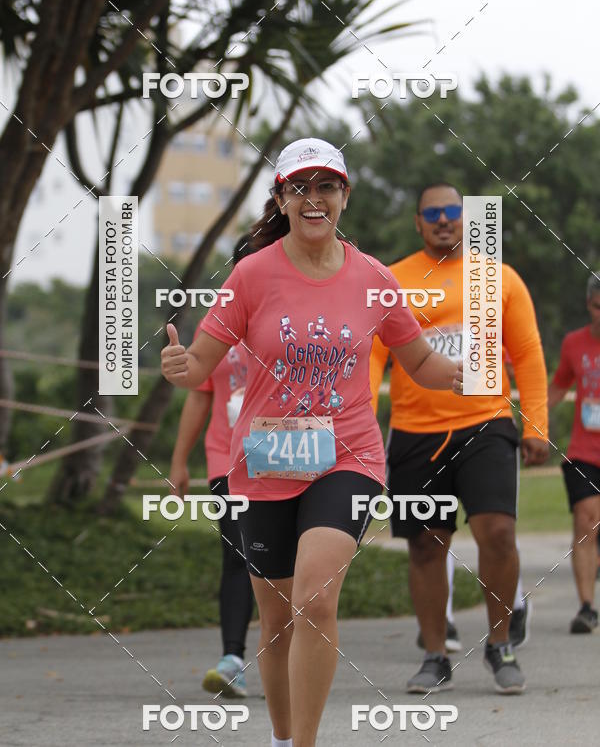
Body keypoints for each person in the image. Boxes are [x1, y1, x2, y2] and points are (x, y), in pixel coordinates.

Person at [161, 140, 462, 747]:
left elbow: (420, 361)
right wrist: (179, 365)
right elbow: (200, 369)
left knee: (315, 600)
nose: (314, 198)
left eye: (327, 186)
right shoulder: (250, 275)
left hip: (346, 457)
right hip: (265, 462)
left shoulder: (374, 279)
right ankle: (280, 738)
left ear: (344, 197)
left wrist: (462, 374)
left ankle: (305, 744)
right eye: (300, 187)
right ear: (281, 199)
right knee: (274, 621)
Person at [370, 183, 549, 696]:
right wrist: (358, 422)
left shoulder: (499, 277)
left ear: (468, 221)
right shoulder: (393, 280)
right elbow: (373, 358)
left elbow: (530, 354)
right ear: (419, 223)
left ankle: (499, 645)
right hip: (414, 431)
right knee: (426, 545)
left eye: (453, 212)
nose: (444, 220)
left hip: (486, 422)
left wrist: (535, 426)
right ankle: (434, 655)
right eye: (433, 213)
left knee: (497, 533)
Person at [169, 237, 254, 698]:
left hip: (296, 459)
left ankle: (296, 656)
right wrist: (179, 462)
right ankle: (233, 659)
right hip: (229, 460)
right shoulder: (219, 316)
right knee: (237, 556)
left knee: (295, 564)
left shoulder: (300, 310)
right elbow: (200, 392)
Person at [548, 271, 600, 633]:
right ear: (589, 305)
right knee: (585, 521)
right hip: (584, 451)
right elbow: (558, 386)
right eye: (598, 307)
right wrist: (537, 426)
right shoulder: (573, 344)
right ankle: (586, 607)